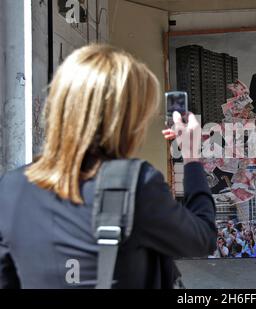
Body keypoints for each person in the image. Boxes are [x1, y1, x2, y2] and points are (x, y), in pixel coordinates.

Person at [0, 45, 217, 289]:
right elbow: (202, 239)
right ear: (126, 120)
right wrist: (191, 158)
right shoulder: (136, 184)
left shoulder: (11, 188)